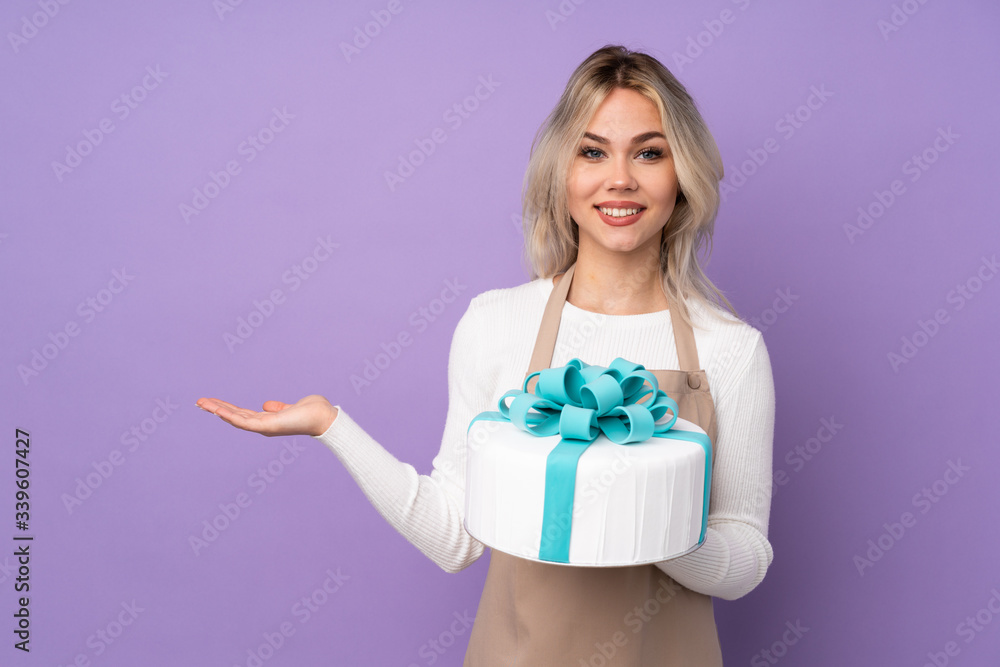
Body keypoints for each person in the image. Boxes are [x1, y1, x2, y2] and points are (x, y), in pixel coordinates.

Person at [197, 44, 775, 666]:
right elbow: (454, 537)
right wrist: (329, 425)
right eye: (592, 151)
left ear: (682, 173)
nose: (620, 179)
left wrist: (645, 518)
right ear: (561, 170)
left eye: (649, 152)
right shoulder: (498, 324)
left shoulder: (730, 349)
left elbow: (745, 561)